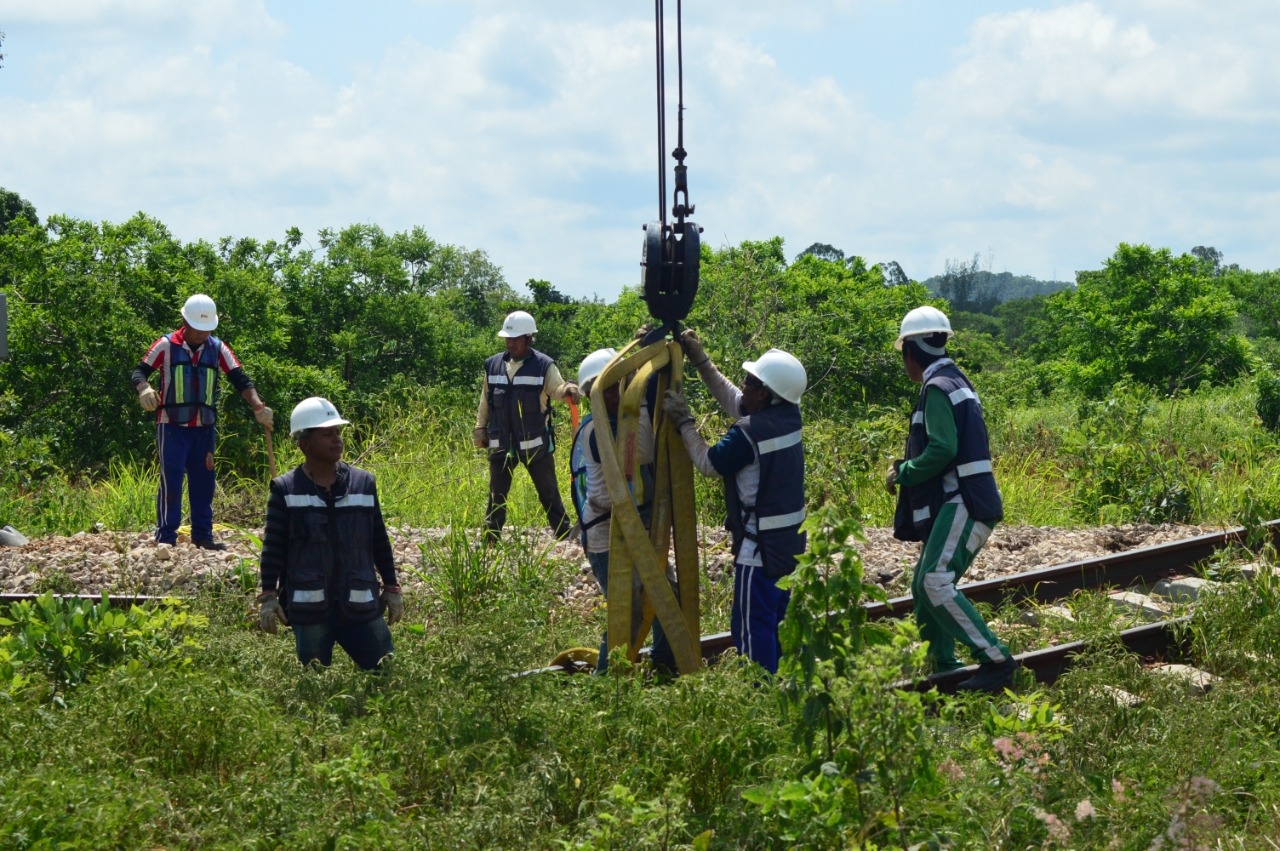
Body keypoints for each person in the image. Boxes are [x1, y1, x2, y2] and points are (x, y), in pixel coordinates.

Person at [885, 306, 1018, 693]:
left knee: (934, 582)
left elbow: (943, 449)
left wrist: (903, 472)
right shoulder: (955, 379)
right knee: (922, 586)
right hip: (963, 499)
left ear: (912, 351)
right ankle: (942, 664)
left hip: (965, 501)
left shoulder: (936, 387)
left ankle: (996, 660)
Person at [663, 333, 808, 674]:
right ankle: (782, 692)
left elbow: (709, 463)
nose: (744, 386)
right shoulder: (789, 415)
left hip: (757, 553)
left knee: (751, 632)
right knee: (778, 625)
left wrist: (684, 422)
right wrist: (701, 360)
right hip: (789, 545)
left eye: (751, 383)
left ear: (766, 393)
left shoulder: (750, 433)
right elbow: (734, 399)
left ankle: (762, 700)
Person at [256, 397, 403, 671]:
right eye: (327, 434)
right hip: (311, 610)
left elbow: (378, 540)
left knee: (387, 674)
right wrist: (268, 597)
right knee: (315, 684)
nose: (337, 439)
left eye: (337, 432)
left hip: (361, 606)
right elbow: (273, 547)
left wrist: (392, 588)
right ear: (305, 444)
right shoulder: (285, 490)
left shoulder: (363, 483)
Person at [132, 293, 274, 550]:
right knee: (172, 479)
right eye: (198, 329)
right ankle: (166, 537)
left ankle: (203, 535)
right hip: (172, 425)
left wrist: (258, 407)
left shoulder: (217, 347)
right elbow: (140, 371)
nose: (202, 335)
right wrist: (144, 389)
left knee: (203, 481)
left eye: (207, 330)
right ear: (185, 322)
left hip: (204, 427)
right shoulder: (165, 345)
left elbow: (240, 379)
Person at [572, 347, 676, 674]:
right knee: (626, 611)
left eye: (618, 388)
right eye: (603, 392)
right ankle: (608, 683)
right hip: (608, 531)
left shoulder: (619, 420)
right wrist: (641, 398)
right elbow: (642, 451)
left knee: (667, 596)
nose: (613, 398)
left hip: (638, 524)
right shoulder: (597, 429)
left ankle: (664, 665)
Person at [473, 310, 581, 544]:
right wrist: (480, 428)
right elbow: (485, 400)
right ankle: (491, 539)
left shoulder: (544, 365)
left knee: (549, 492)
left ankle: (564, 537)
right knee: (496, 494)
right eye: (507, 338)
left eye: (515, 338)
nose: (510, 343)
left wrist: (569, 389)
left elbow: (557, 389)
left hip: (535, 444)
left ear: (529, 339)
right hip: (500, 441)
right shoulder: (493, 365)